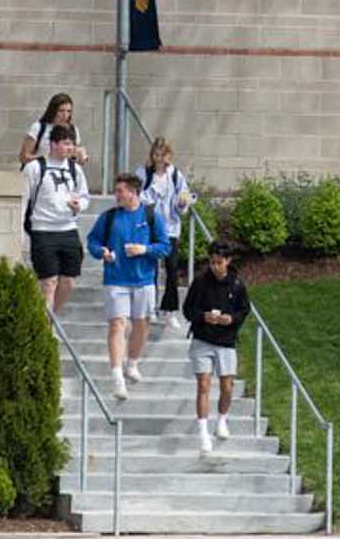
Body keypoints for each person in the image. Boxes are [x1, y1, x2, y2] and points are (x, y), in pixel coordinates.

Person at [84, 171, 171, 401]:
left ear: (134, 193)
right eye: (116, 191)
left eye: (120, 191)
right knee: (117, 325)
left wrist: (144, 250)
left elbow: (165, 246)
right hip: (116, 279)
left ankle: (132, 363)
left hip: (143, 280)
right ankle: (117, 377)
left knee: (141, 324)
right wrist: (101, 252)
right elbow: (93, 241)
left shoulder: (152, 216)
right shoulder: (109, 217)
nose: (116, 195)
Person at [180, 240, 251, 455]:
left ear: (228, 261)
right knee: (203, 384)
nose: (214, 266)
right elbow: (187, 309)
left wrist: (231, 320)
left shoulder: (237, 284)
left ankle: (221, 419)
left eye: (219, 262)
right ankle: (203, 433)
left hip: (226, 342)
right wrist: (203, 316)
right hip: (202, 339)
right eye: (211, 262)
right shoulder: (201, 282)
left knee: (227, 386)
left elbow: (244, 309)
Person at [21, 123, 92, 315]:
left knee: (68, 281)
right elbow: (23, 200)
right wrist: (21, 233)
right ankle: (46, 327)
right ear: (53, 144)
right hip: (43, 230)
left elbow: (84, 196)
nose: (70, 148)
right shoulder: (35, 168)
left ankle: (52, 318)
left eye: (72, 144)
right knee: (48, 282)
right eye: (66, 144)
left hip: (68, 229)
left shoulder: (75, 169)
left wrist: (79, 206)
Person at [140, 137, 197, 330]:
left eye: (162, 155)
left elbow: (185, 197)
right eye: (156, 154)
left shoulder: (175, 175)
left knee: (172, 270)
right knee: (151, 271)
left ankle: (170, 310)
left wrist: (182, 203)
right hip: (150, 228)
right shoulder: (144, 174)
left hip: (171, 229)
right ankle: (151, 309)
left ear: (168, 156)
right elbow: (138, 197)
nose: (159, 159)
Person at [19, 93, 80, 170]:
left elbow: (73, 158)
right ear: (53, 110)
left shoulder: (73, 129)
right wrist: (48, 158)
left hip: (63, 174)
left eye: (69, 111)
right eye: (61, 111)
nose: (65, 115)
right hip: (40, 172)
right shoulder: (39, 127)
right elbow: (24, 157)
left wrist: (78, 156)